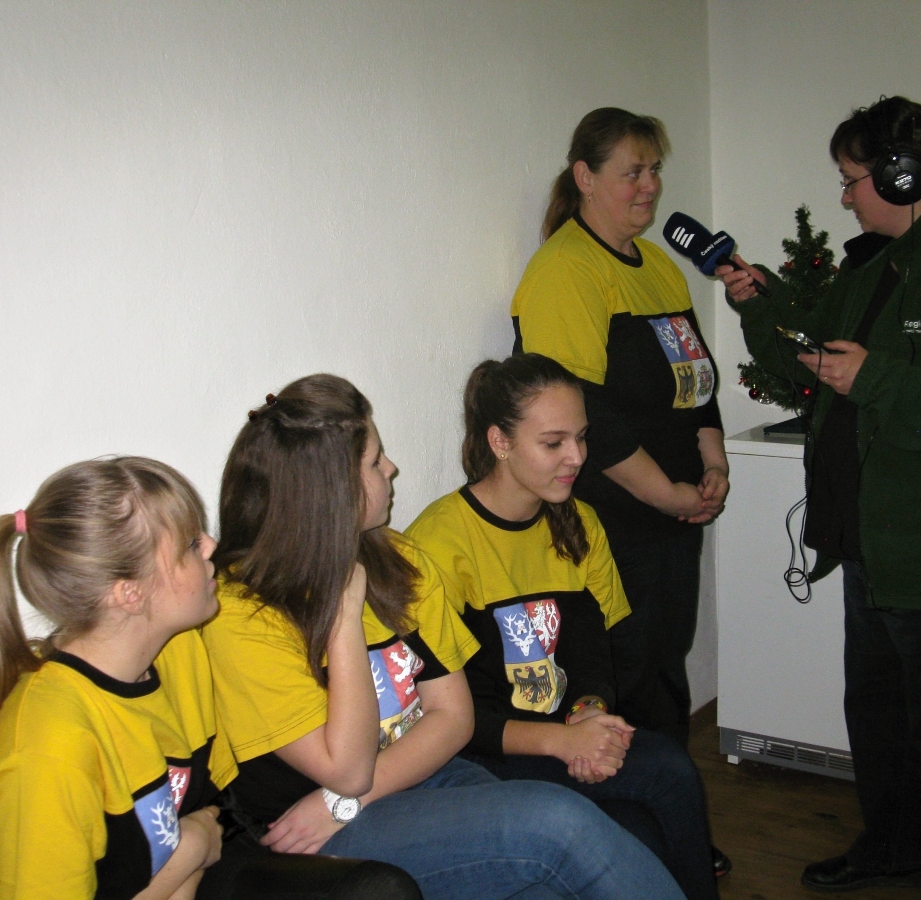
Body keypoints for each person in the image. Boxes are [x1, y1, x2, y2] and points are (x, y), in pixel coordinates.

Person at [718, 96, 921, 898]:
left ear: (901, 176)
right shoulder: (879, 268)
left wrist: (876, 377)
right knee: (877, 718)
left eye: (851, 179)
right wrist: (758, 305)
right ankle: (893, 846)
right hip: (874, 546)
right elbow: (811, 349)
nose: (843, 197)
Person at [200, 375, 687, 900]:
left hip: (409, 783)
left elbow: (453, 717)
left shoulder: (399, 561)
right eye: (375, 462)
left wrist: (348, 800)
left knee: (567, 862)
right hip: (314, 827)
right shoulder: (243, 611)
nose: (391, 468)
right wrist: (343, 618)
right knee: (557, 823)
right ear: (330, 491)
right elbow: (345, 770)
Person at [0, 456, 421, 900]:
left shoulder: (179, 648)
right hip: (182, 865)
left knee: (376, 891)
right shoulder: (46, 749)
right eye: (190, 544)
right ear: (130, 594)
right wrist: (189, 851)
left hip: (198, 865)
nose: (211, 545)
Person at [406, 353, 720, 900]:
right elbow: (449, 715)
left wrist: (589, 714)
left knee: (650, 819)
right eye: (554, 443)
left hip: (562, 733)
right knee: (665, 776)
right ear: (500, 442)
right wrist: (563, 741)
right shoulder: (437, 545)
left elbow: (595, 652)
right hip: (482, 754)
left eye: (581, 437)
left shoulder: (579, 521)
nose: (577, 457)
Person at [510, 107, 728, 761]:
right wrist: (666, 494)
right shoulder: (565, 270)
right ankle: (637, 809)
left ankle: (669, 800)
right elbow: (582, 416)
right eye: (632, 171)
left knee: (664, 668)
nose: (650, 185)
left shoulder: (657, 265)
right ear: (585, 176)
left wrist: (712, 462)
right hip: (615, 519)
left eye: (654, 169)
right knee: (626, 677)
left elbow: (695, 379)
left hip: (673, 514)